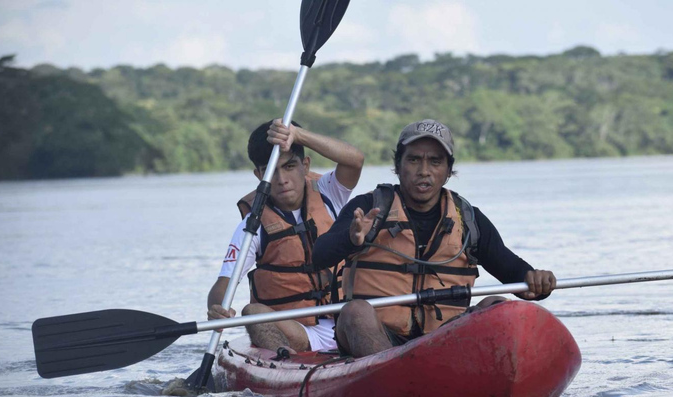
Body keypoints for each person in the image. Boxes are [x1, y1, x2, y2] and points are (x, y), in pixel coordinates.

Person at [312, 119, 556, 357]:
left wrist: (536, 281)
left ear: (448, 170)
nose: (424, 171)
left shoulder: (468, 218)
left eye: (435, 162)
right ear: (398, 165)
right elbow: (319, 256)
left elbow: (511, 270)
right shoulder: (368, 206)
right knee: (355, 311)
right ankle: (395, 379)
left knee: (498, 305)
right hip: (381, 337)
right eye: (414, 160)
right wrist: (351, 239)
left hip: (445, 338)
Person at [207, 119, 364, 353]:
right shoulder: (252, 226)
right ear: (259, 175)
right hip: (293, 331)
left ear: (306, 165)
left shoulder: (330, 192)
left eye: (289, 166)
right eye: (271, 171)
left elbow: (355, 160)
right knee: (253, 313)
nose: (282, 180)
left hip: (344, 323)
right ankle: (283, 365)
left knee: (363, 310)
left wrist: (297, 135)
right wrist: (217, 307)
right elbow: (224, 284)